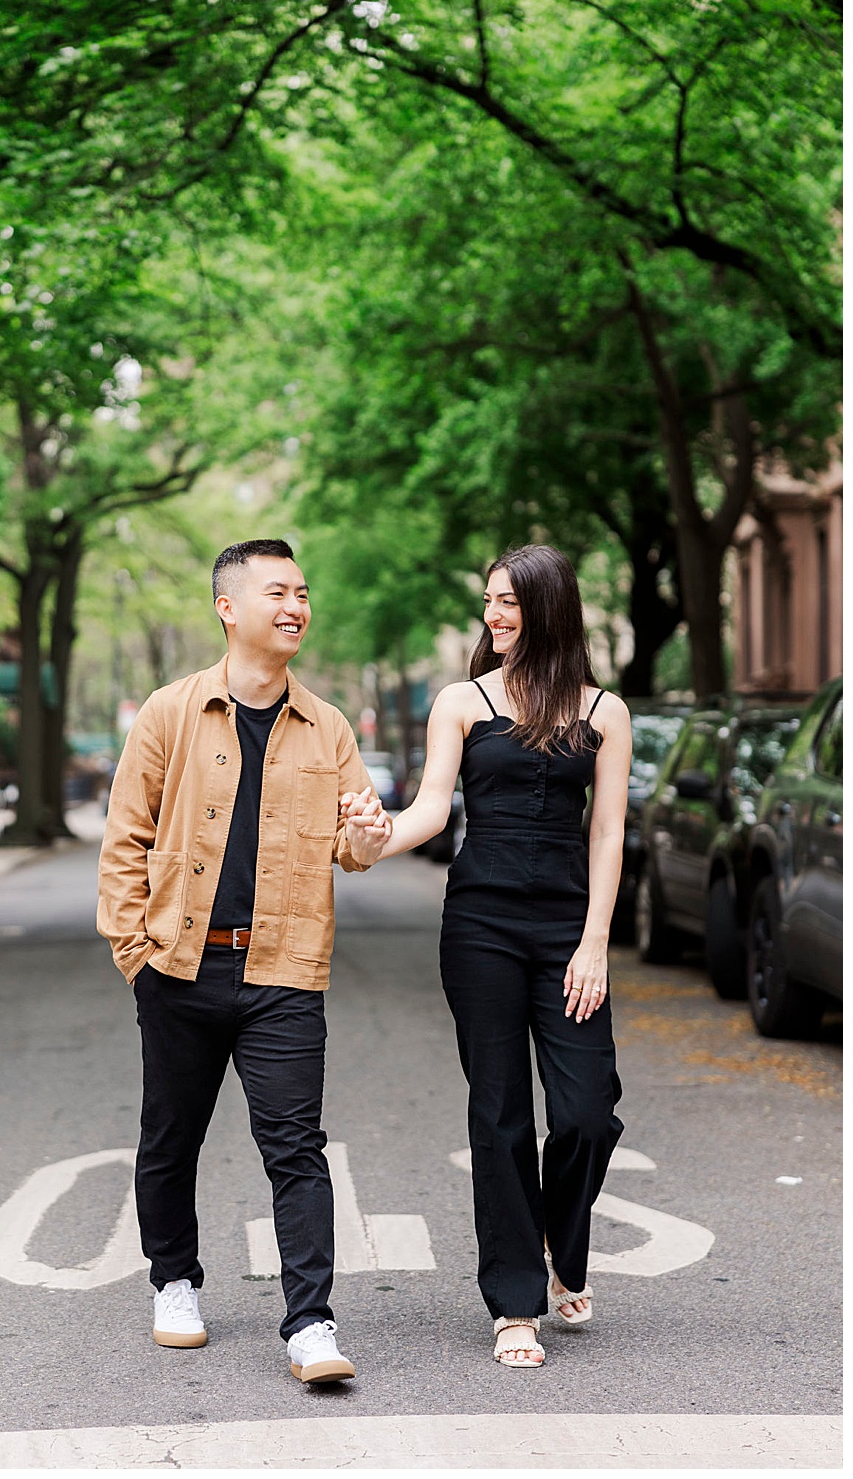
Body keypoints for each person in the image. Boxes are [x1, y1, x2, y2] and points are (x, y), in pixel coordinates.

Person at [97, 538, 391, 1386]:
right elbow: (126, 837)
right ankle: (175, 1280)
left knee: (296, 1146)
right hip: (181, 965)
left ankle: (309, 1320)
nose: (296, 605)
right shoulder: (169, 712)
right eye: (278, 592)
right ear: (229, 607)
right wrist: (135, 954)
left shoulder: (328, 725)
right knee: (171, 1137)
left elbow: (355, 838)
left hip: (285, 971)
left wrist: (366, 840)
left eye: (303, 591)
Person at [362, 542, 630, 1369]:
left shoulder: (604, 712)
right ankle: (516, 1302)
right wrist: (373, 839)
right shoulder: (462, 701)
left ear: (548, 607)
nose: (494, 615)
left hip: (565, 933)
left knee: (588, 1108)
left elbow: (609, 831)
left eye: (509, 601)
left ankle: (556, 1237)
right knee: (502, 1111)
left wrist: (594, 943)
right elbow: (431, 809)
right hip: (479, 925)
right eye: (489, 601)